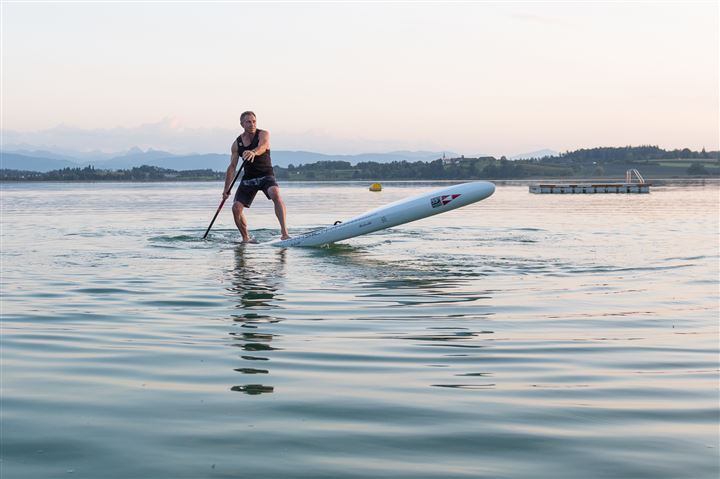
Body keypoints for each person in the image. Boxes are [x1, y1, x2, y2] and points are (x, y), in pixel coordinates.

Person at [223, 111, 289, 242]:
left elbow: (263, 146)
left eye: (254, 121)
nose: (252, 124)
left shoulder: (263, 134)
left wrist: (253, 152)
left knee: (275, 192)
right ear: (242, 124)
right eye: (248, 122)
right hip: (249, 178)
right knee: (236, 208)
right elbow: (232, 167)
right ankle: (245, 238)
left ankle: (285, 233)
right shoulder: (237, 144)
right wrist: (226, 190)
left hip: (265, 174)